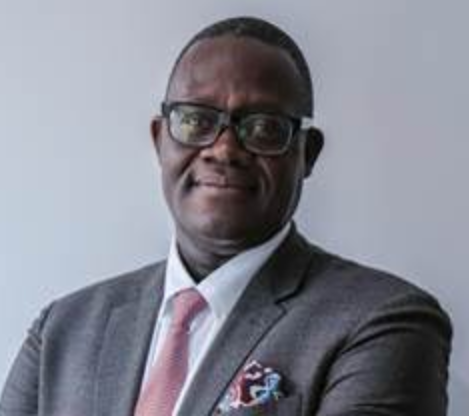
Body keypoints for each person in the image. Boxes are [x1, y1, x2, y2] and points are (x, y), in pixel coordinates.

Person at [1, 16, 452, 416]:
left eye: (263, 127)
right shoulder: (63, 328)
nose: (224, 149)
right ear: (160, 139)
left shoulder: (382, 322)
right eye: (197, 121)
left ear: (307, 154)